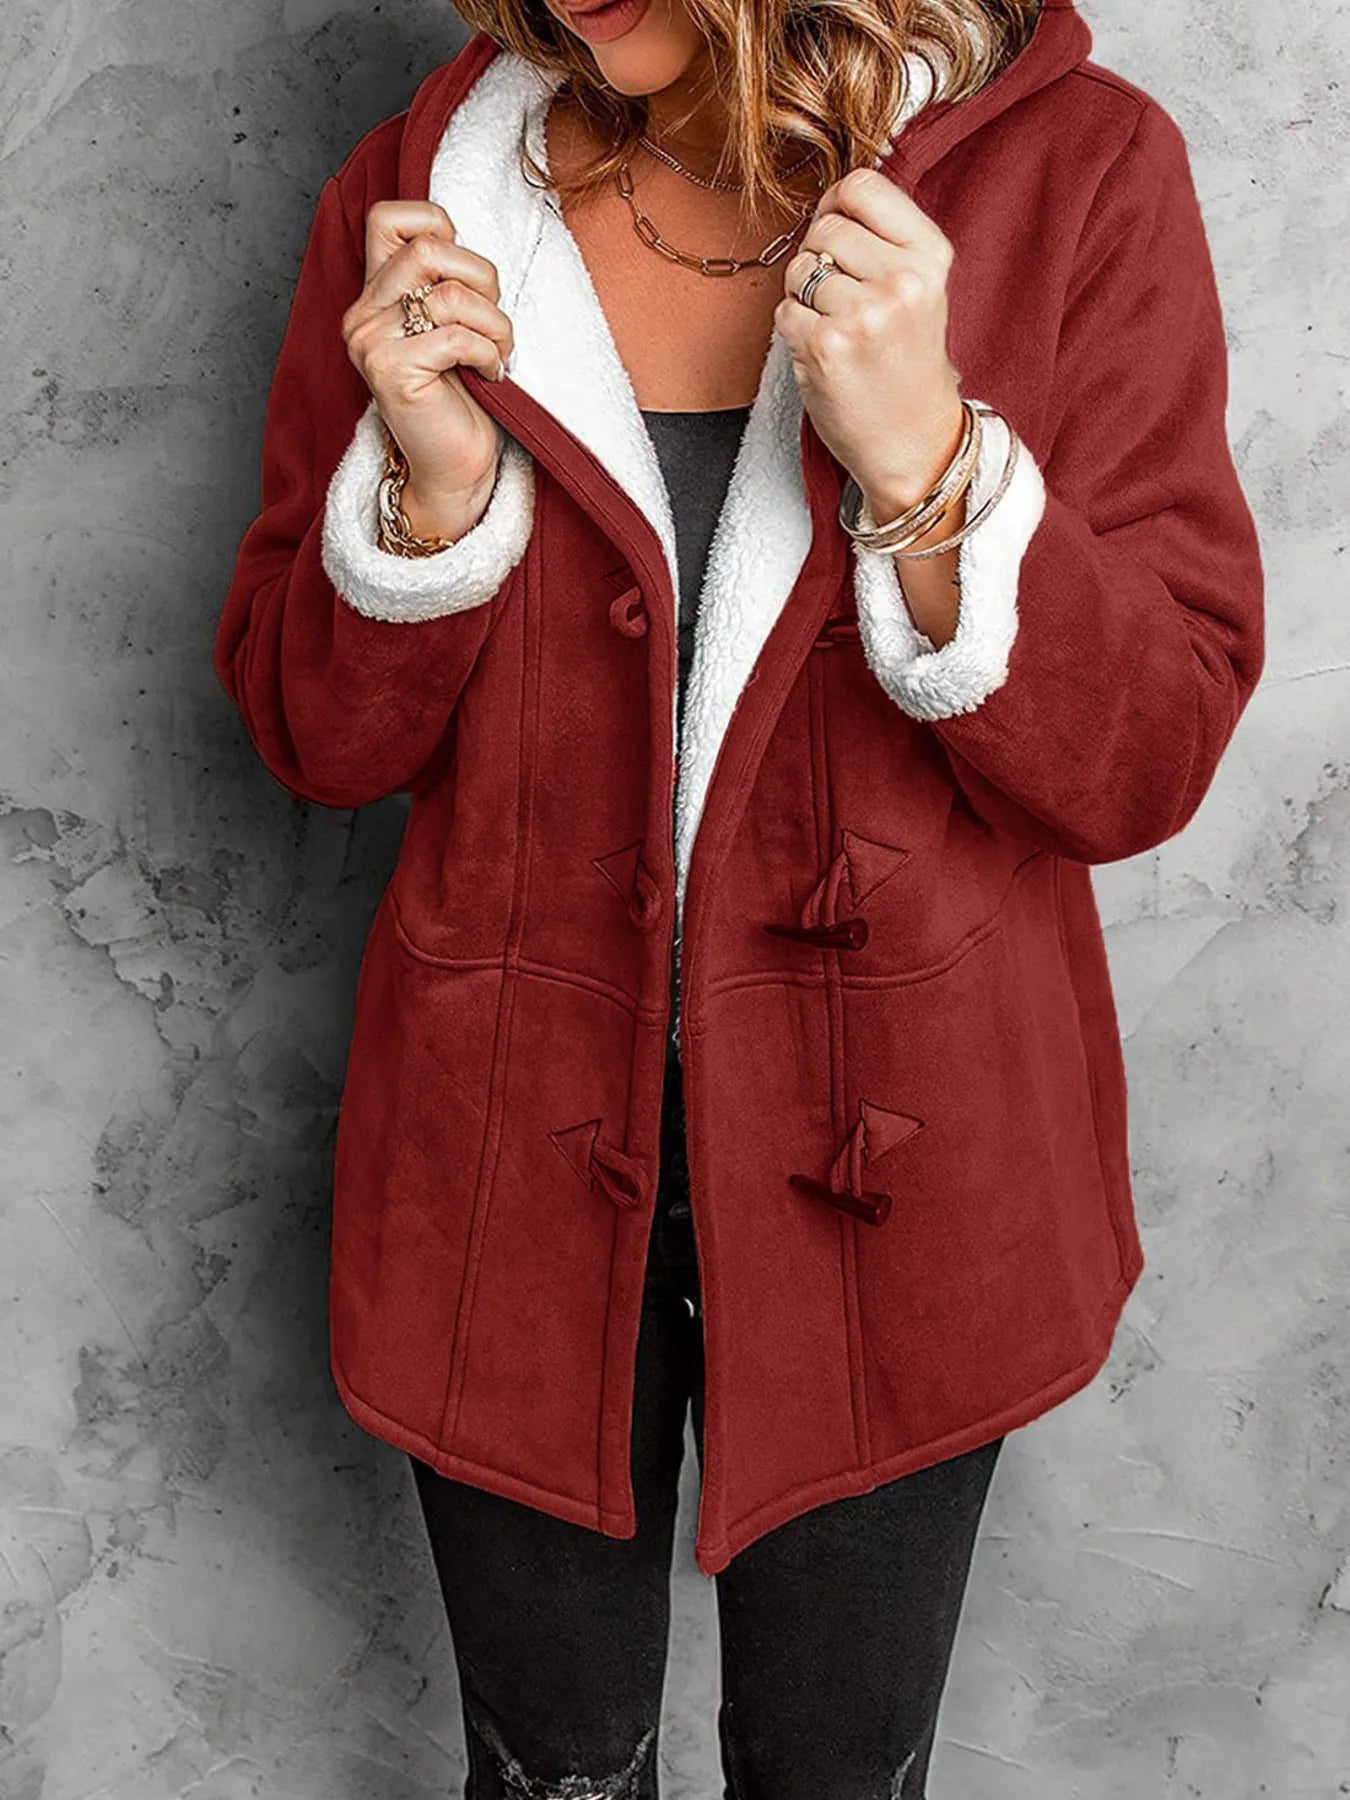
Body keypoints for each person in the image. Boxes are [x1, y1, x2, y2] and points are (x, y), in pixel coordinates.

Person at [214, 0, 1265, 1790]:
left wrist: (931, 472)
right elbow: (314, 738)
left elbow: (1142, 760)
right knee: (549, 1775)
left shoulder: (1080, 173)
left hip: (911, 1171)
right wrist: (430, 494)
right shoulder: (422, 189)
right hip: (500, 1159)